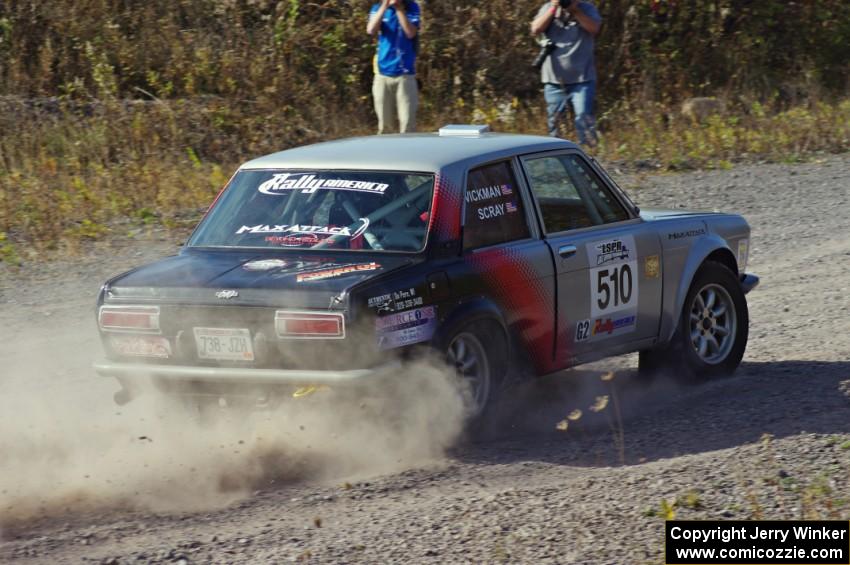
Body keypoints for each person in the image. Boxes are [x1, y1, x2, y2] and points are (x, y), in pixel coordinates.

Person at [530, 0, 601, 146]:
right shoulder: (548, 8)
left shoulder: (586, 8)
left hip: (583, 79)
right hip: (554, 80)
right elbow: (535, 29)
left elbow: (594, 28)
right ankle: (557, 158)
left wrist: (575, 11)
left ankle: (590, 156)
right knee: (555, 124)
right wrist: (553, 9)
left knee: (584, 120)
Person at [366, 0, 421, 134]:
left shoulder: (412, 7)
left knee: (408, 126)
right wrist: (385, 6)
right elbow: (371, 29)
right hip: (382, 73)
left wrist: (399, 9)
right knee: (385, 127)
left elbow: (410, 32)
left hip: (405, 74)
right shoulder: (378, 8)